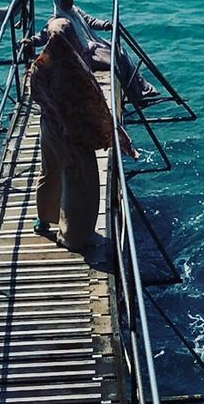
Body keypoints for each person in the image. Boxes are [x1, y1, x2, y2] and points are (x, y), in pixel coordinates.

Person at [26, 20, 138, 250]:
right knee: (79, 181)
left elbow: (36, 95)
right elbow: (94, 102)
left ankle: (45, 218)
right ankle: (73, 235)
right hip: (74, 133)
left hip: (49, 127)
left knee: (50, 172)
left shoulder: (38, 67)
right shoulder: (76, 68)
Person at [20, 0, 160, 109]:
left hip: (93, 44)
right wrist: (31, 41)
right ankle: (137, 94)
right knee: (117, 60)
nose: (68, 1)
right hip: (85, 54)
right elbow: (44, 35)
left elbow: (90, 21)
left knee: (121, 53)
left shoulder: (75, 12)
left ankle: (140, 91)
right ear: (58, 1)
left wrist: (106, 25)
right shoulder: (57, 21)